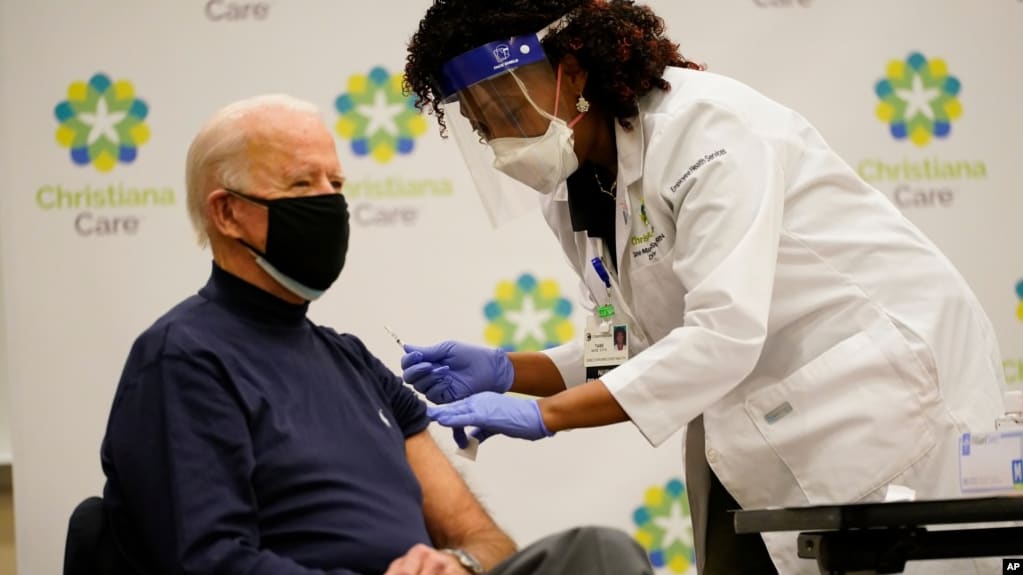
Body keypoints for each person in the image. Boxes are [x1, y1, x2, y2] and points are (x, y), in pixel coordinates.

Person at [400, 1, 1008, 573]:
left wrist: (546, 413)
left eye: (509, 112)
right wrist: (512, 371)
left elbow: (722, 334)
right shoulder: (576, 189)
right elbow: (633, 345)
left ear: (574, 70)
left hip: (874, 391)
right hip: (760, 410)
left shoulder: (704, 130)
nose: (506, 144)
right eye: (485, 128)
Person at [99, 94, 655, 575]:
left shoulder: (351, 363)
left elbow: (486, 543)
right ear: (227, 213)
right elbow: (210, 562)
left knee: (597, 554)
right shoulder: (185, 360)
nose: (331, 201)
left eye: (335, 182)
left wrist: (457, 564)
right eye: (302, 183)